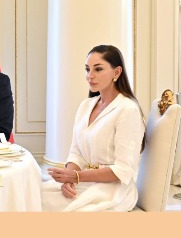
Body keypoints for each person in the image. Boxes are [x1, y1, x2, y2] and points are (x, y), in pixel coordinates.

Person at [42, 45, 146, 212]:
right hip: (84, 183)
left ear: (117, 72)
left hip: (113, 191)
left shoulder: (128, 110)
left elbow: (124, 170)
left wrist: (77, 176)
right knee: (34, 196)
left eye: (98, 69)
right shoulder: (85, 106)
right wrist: (68, 180)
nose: (90, 76)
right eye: (87, 69)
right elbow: (76, 153)